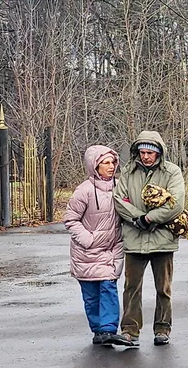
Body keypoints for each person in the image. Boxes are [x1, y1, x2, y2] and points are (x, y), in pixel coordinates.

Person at [113, 131, 186, 347]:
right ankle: (129, 330)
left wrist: (151, 218)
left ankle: (163, 329)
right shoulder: (128, 172)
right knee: (131, 287)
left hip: (162, 238)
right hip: (134, 237)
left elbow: (176, 203)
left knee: (163, 287)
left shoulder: (172, 172)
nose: (145, 157)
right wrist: (139, 219)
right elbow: (119, 199)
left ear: (158, 153)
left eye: (150, 153)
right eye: (142, 152)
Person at [65, 145, 126, 346]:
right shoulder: (84, 191)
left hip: (110, 250)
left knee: (108, 287)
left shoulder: (121, 187)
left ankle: (108, 329)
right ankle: (98, 331)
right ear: (95, 166)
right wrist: (87, 239)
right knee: (91, 295)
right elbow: (71, 219)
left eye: (112, 162)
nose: (111, 167)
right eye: (105, 163)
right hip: (86, 252)